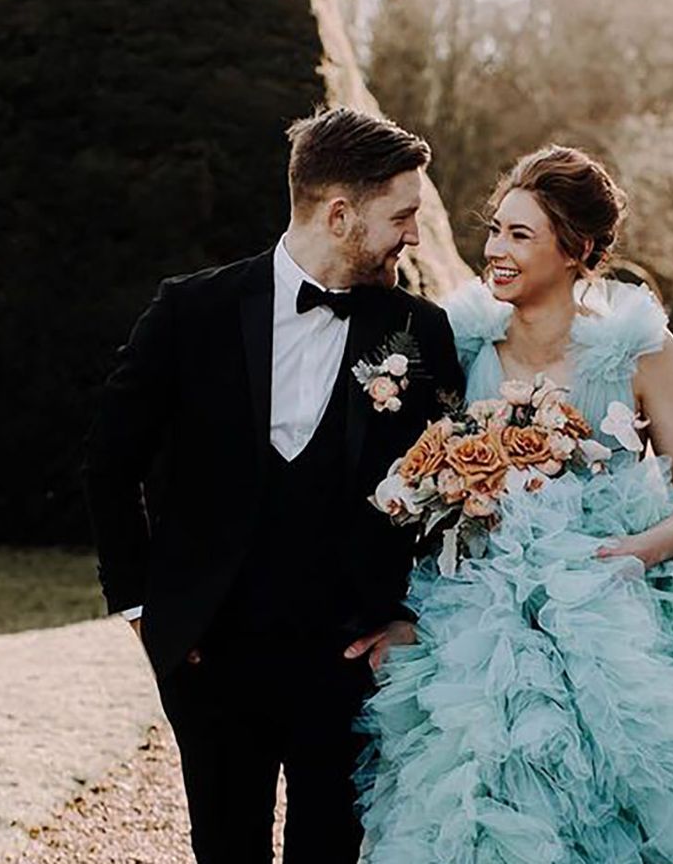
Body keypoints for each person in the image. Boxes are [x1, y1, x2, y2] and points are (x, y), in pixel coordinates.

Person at [357, 145, 673, 862]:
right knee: (483, 798)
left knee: (635, 801)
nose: (496, 250)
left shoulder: (639, 351)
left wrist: (643, 550)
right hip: (481, 616)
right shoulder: (457, 344)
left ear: (576, 248)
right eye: (495, 229)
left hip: (617, 605)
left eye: (520, 235)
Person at [83, 107, 464, 864]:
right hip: (210, 657)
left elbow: (453, 488)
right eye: (404, 215)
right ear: (339, 213)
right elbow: (108, 459)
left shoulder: (421, 333)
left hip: (349, 660)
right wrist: (142, 607)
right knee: (225, 849)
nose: (415, 236)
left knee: (331, 852)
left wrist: (411, 617)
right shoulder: (191, 311)